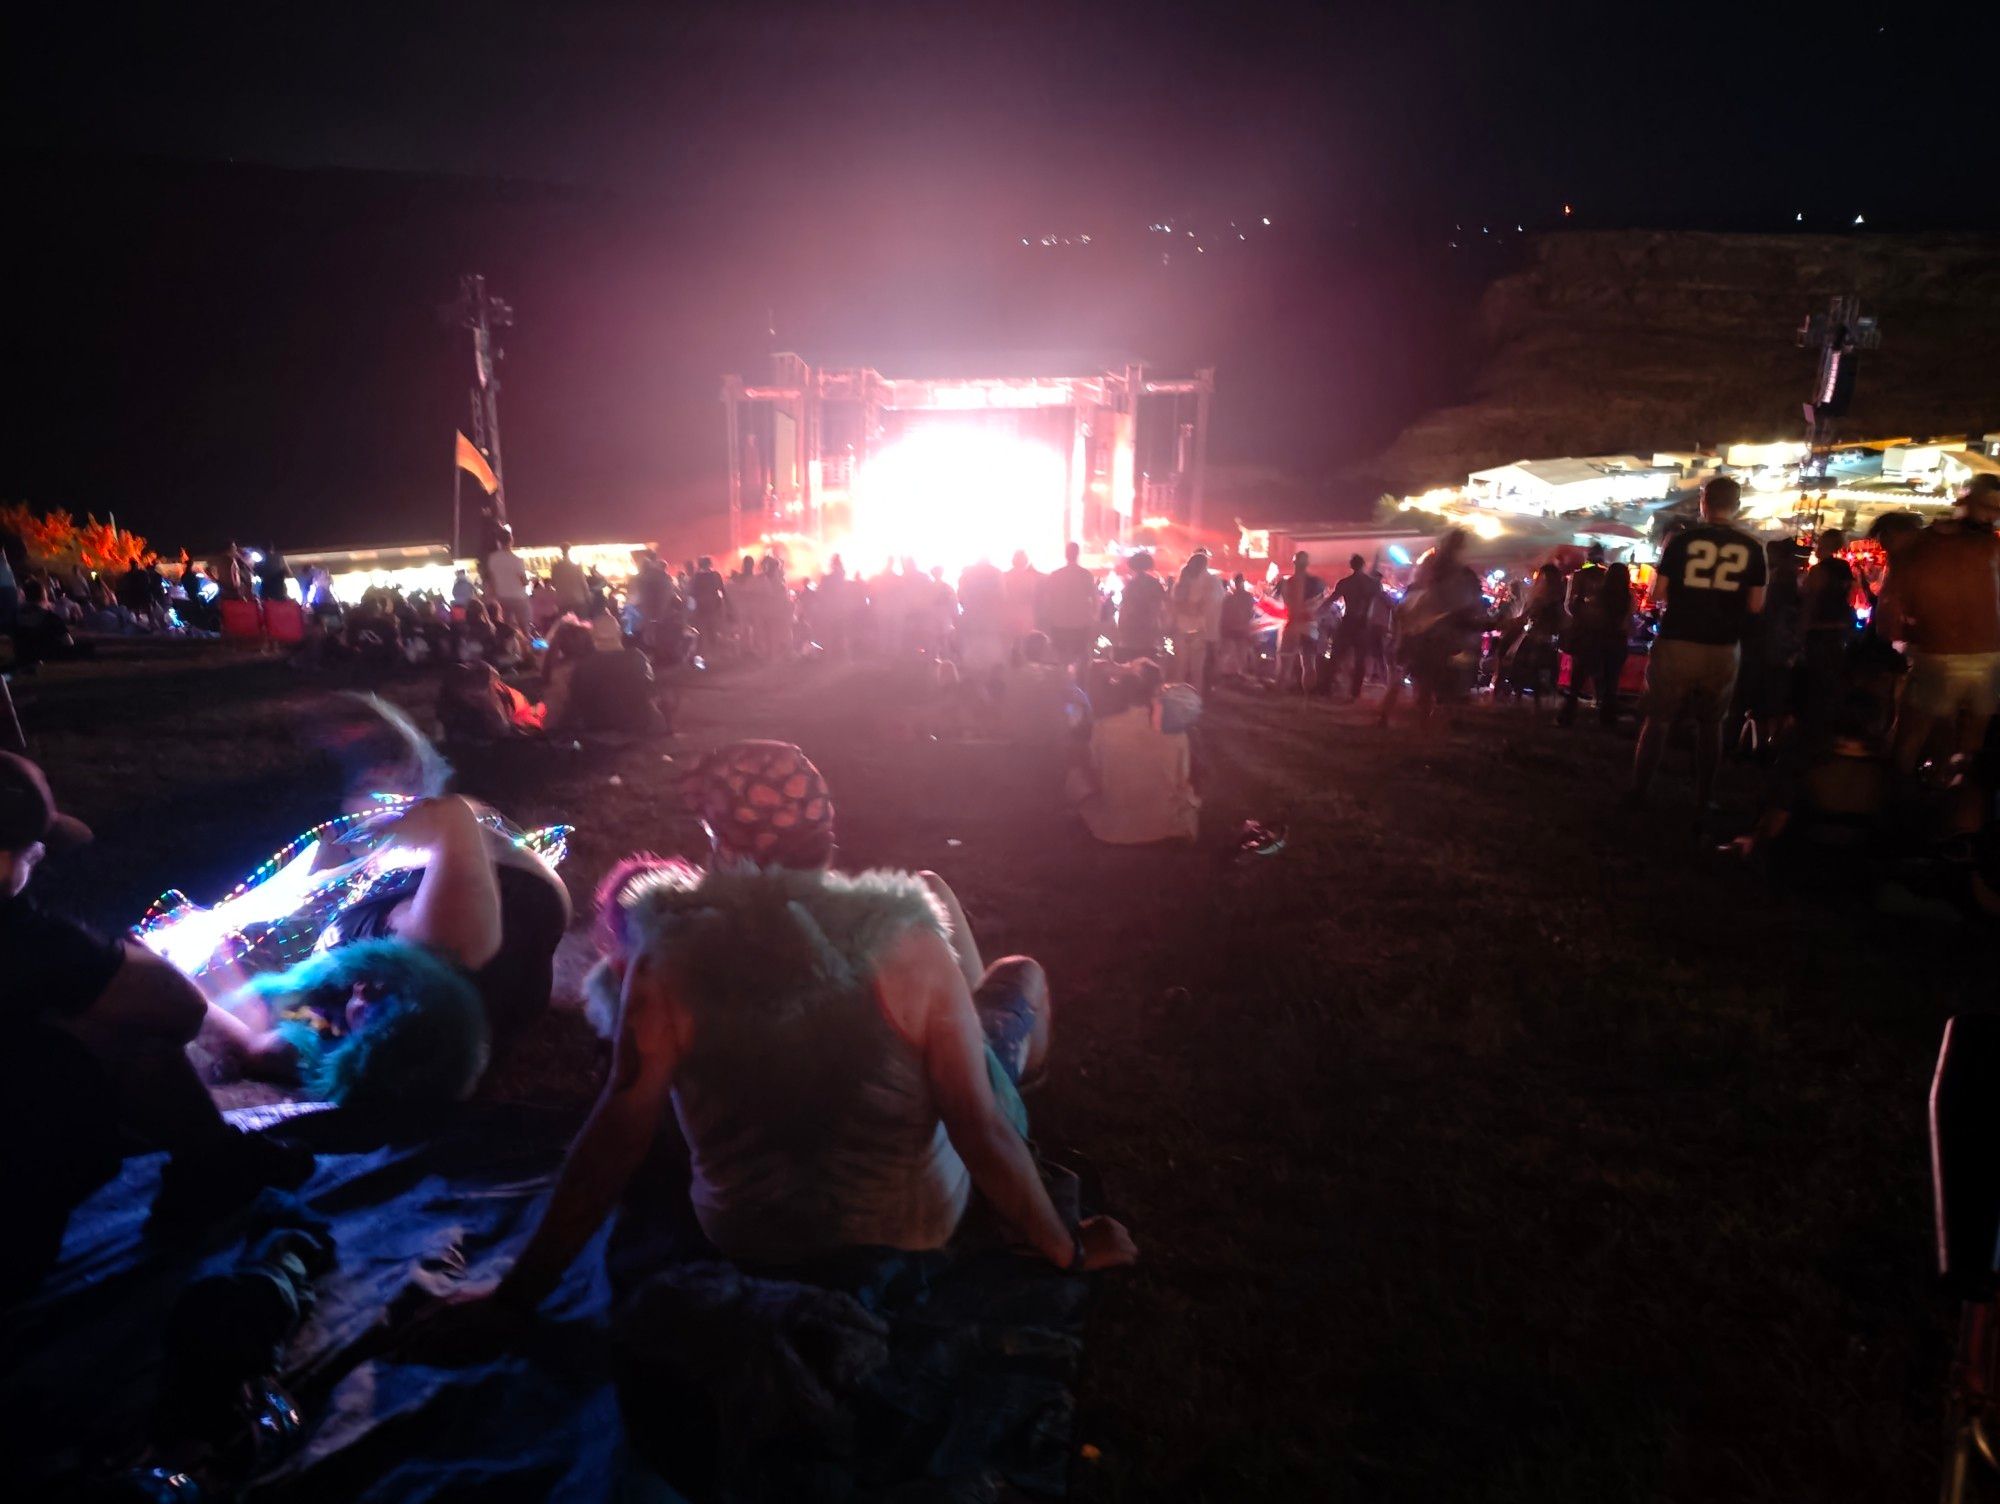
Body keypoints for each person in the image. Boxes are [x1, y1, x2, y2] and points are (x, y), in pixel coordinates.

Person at [405, 741, 1135, 1338]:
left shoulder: (667, 958)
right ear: (828, 833)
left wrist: (517, 1293)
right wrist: (1065, 1248)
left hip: (743, 1234)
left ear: (720, 845)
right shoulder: (909, 943)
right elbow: (978, 1128)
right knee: (1017, 979)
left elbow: (614, 1135)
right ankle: (1021, 1074)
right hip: (910, 1230)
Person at [1, 754, 312, 1297]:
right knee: (123, 1029)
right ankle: (216, 1167)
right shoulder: (31, 941)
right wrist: (115, 955)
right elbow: (179, 1009)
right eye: (35, 852)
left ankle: (217, 1163)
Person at [1629, 476, 1769, 814]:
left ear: (1703, 502)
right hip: (1722, 644)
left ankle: (1639, 792)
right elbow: (1755, 606)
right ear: (1736, 505)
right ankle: (1704, 797)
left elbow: (1657, 594)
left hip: (1678, 638)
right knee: (1711, 724)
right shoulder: (1753, 547)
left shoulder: (1682, 541)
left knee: (1658, 719)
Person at [1876, 474, 2000, 777]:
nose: (1993, 517)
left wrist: (1899, 642)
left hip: (1937, 654)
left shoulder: (1923, 546)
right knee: (1969, 746)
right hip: (1986, 655)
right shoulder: (1989, 548)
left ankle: (1900, 800)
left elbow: (1889, 610)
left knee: (1911, 739)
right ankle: (1954, 797)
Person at [1075, 660, 1200, 844]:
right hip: (1164, 825)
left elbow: (1096, 772)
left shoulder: (1103, 726)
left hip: (1114, 827)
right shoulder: (1175, 730)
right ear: (1159, 690)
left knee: (1076, 778)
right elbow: (1183, 780)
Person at [1378, 529, 1484, 730]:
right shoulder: (1448, 575)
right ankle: (1422, 722)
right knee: (1422, 681)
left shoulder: (1438, 574)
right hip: (1429, 635)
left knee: (1416, 680)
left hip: (1426, 634)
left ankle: (1413, 720)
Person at [1797, 527, 1857, 749]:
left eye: (1820, 544)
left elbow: (1810, 603)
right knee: (1830, 682)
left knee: (1814, 682)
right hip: (1838, 630)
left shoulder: (1820, 571)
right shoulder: (1844, 569)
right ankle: (1825, 731)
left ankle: (1810, 734)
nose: (1816, 547)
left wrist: (1800, 632)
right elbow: (1850, 598)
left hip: (1818, 630)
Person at [1556, 563, 1635, 728]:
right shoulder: (1628, 598)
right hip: (1616, 643)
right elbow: (1627, 624)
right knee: (1611, 683)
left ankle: (1568, 714)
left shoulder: (1598, 596)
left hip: (1593, 640)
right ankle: (1607, 719)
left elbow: (1588, 616)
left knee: (1577, 681)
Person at [1324, 554, 1383, 701]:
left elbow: (1331, 600)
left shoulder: (1345, 583)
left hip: (1348, 621)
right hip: (1364, 623)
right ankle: (1354, 693)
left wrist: (1317, 610)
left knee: (1336, 656)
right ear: (1363, 565)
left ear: (1351, 566)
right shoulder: (1373, 584)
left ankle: (1327, 687)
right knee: (1360, 659)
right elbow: (1381, 603)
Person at [1169, 549, 1225, 691]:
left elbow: (1175, 607)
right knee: (1196, 671)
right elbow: (1211, 608)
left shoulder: (1181, 583)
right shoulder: (1211, 582)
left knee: (1180, 670)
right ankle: (1195, 701)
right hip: (1199, 631)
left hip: (1181, 630)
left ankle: (1178, 700)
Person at [1041, 541, 1099, 669]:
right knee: (1081, 659)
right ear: (1078, 554)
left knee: (1061, 658)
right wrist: (1094, 618)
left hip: (1059, 623)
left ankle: (1062, 682)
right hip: (1080, 624)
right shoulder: (1085, 574)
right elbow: (1095, 598)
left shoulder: (1055, 575)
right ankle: (1080, 685)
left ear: (1065, 554)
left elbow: (1047, 599)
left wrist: (1049, 617)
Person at [1275, 551, 1324, 693]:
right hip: (1308, 628)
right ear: (1307, 564)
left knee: (1286, 664)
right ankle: (1307, 697)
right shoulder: (1317, 583)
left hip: (1293, 626)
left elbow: (1283, 602)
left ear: (1294, 563)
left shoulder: (1287, 583)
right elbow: (1320, 604)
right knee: (1309, 664)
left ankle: (1281, 694)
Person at [1115, 551, 1167, 663]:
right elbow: (1159, 606)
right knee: (1148, 661)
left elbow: (1125, 608)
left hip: (1132, 627)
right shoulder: (1154, 584)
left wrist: (1121, 627)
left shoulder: (1131, 585)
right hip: (1149, 627)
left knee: (1132, 661)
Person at [486, 527, 532, 628]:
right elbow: (524, 581)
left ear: (499, 542)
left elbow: (491, 581)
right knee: (524, 626)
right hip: (518, 598)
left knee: (505, 626)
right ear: (511, 540)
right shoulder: (517, 560)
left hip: (501, 597)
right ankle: (527, 639)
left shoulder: (492, 559)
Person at [1001, 549, 1041, 646]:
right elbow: (1033, 596)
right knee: (1025, 644)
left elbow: (1002, 597)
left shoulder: (1005, 576)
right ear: (1025, 561)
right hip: (1025, 615)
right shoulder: (1030, 577)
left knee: (1011, 643)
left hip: (1009, 614)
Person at [551, 545, 591, 617]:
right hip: (578, 599)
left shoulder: (556, 568)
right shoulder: (576, 567)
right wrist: (588, 597)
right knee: (581, 624)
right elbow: (583, 584)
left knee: (566, 624)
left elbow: (553, 583)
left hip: (563, 600)